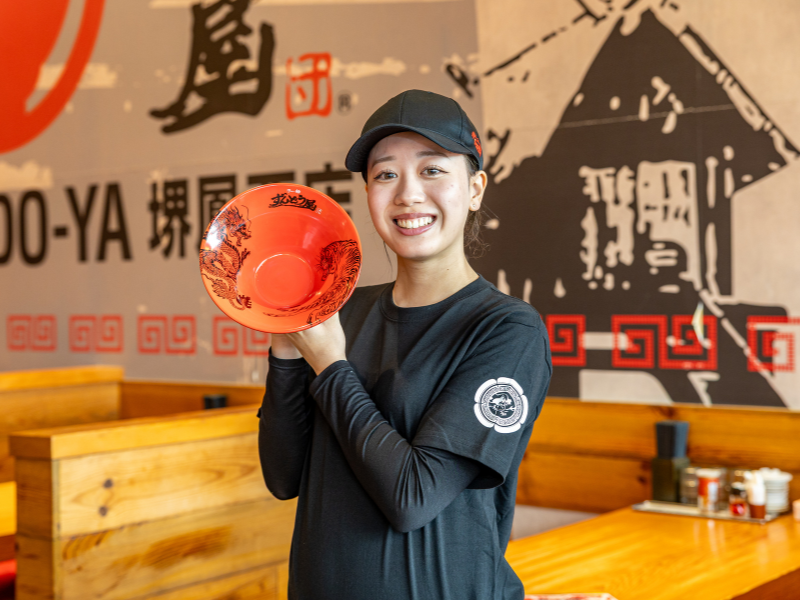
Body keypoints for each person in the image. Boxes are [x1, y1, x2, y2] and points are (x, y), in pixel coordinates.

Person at [258, 89, 552, 600]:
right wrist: (287, 349)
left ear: (475, 188)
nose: (408, 195)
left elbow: (413, 497)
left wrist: (329, 363)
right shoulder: (340, 311)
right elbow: (284, 478)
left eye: (432, 170)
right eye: (385, 175)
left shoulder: (506, 329)